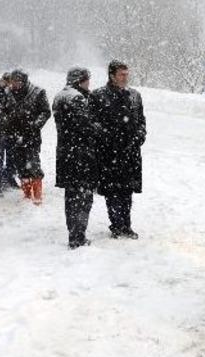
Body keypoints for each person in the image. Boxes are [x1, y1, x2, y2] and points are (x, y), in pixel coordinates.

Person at [90, 60, 146, 239]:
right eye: (121, 74)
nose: (125, 78)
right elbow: (93, 123)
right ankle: (116, 225)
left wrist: (139, 136)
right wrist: (107, 138)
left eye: (126, 74)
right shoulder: (98, 95)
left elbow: (141, 121)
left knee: (127, 190)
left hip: (130, 152)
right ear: (112, 76)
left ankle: (126, 225)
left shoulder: (135, 95)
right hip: (109, 153)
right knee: (112, 190)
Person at [53, 68, 99, 249]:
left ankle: (73, 233)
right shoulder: (77, 98)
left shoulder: (60, 96)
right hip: (81, 155)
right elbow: (86, 127)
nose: (89, 83)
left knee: (71, 197)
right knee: (83, 197)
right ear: (80, 80)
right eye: (87, 80)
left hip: (66, 153)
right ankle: (78, 236)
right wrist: (100, 128)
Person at [6, 69, 50, 205]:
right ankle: (26, 194)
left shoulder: (38, 92)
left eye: (18, 81)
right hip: (14, 135)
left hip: (32, 136)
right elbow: (3, 111)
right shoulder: (8, 93)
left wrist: (35, 125)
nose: (15, 84)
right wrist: (6, 124)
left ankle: (37, 195)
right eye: (13, 81)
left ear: (24, 81)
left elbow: (45, 112)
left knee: (33, 164)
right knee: (20, 166)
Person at [0, 72, 19, 190]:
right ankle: (1, 180)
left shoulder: (13, 92)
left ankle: (9, 177)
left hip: (11, 129)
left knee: (11, 156)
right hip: (1, 129)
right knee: (0, 157)